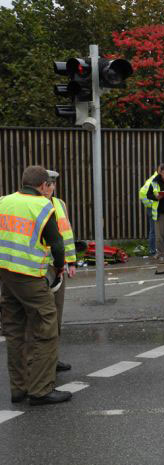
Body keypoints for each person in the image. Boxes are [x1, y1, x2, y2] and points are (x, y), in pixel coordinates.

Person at [0, 165, 72, 405]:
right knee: (46, 325)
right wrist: (60, 266)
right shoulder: (42, 205)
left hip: (6, 274)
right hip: (29, 275)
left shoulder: (4, 201)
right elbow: (57, 244)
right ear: (43, 186)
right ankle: (40, 389)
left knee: (14, 330)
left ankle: (18, 388)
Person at [44, 170, 76, 372]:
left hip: (58, 266)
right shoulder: (32, 205)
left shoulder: (60, 204)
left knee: (56, 315)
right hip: (39, 267)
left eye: (53, 183)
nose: (51, 187)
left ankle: (52, 359)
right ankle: (40, 363)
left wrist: (71, 261)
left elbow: (67, 234)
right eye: (48, 183)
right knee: (41, 318)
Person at [139, 168, 159, 256]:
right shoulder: (155, 180)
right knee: (154, 230)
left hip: (153, 207)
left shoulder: (153, 178)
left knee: (154, 230)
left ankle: (153, 250)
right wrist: (151, 204)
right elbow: (142, 192)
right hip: (153, 208)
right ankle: (153, 250)